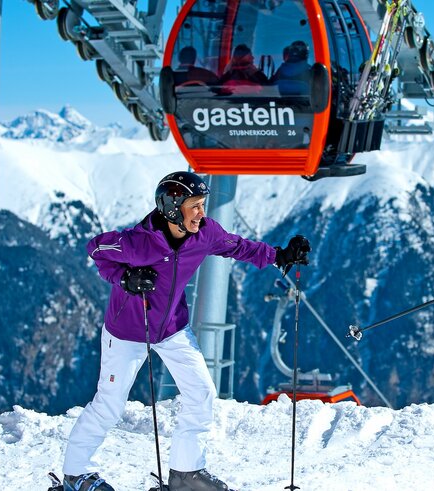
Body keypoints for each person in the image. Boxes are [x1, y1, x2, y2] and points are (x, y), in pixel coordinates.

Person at [62, 171, 311, 491]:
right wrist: (124, 279)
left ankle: (185, 473)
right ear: (171, 208)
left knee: (201, 392)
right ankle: (75, 474)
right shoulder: (138, 243)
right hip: (126, 332)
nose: (202, 213)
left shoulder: (204, 233)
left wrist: (280, 255)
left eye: (203, 204)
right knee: (109, 405)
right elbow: (96, 249)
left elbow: (239, 247)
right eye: (194, 206)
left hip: (172, 329)